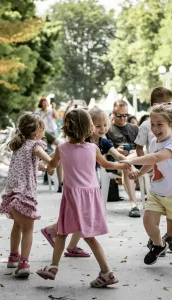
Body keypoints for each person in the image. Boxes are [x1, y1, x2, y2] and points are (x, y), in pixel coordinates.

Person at [36, 108, 128, 287]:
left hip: (73, 196)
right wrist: (123, 166)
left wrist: (48, 168)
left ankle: (106, 272)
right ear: (89, 128)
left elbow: (52, 164)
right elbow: (106, 164)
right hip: (90, 195)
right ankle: (54, 267)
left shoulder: (62, 148)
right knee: (67, 232)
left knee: (76, 234)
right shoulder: (93, 148)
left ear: (65, 129)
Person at [122, 103, 172, 270]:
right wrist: (140, 173)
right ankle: (158, 244)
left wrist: (132, 160)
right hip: (157, 192)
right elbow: (151, 163)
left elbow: (156, 158)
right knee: (148, 221)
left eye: (159, 124)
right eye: (152, 124)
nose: (155, 128)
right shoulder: (155, 141)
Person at [0, 112, 53, 278]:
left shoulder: (19, 145)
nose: (43, 132)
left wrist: (42, 166)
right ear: (37, 132)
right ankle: (23, 263)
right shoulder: (36, 145)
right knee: (28, 229)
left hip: (13, 193)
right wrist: (53, 163)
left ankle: (13, 256)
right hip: (25, 193)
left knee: (17, 226)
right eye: (43, 129)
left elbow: (33, 164)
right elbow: (47, 159)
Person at [135, 88, 172, 254]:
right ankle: (155, 238)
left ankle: (170, 236)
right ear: (156, 105)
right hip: (156, 172)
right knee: (155, 210)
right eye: (167, 104)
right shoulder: (147, 125)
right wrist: (141, 169)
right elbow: (141, 148)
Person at [106, 99, 140, 217]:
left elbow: (144, 148)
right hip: (117, 162)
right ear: (113, 114)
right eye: (119, 115)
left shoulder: (135, 128)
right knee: (126, 166)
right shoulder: (107, 130)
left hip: (137, 159)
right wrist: (115, 151)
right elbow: (101, 152)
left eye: (125, 115)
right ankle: (133, 205)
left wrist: (133, 152)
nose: (123, 118)